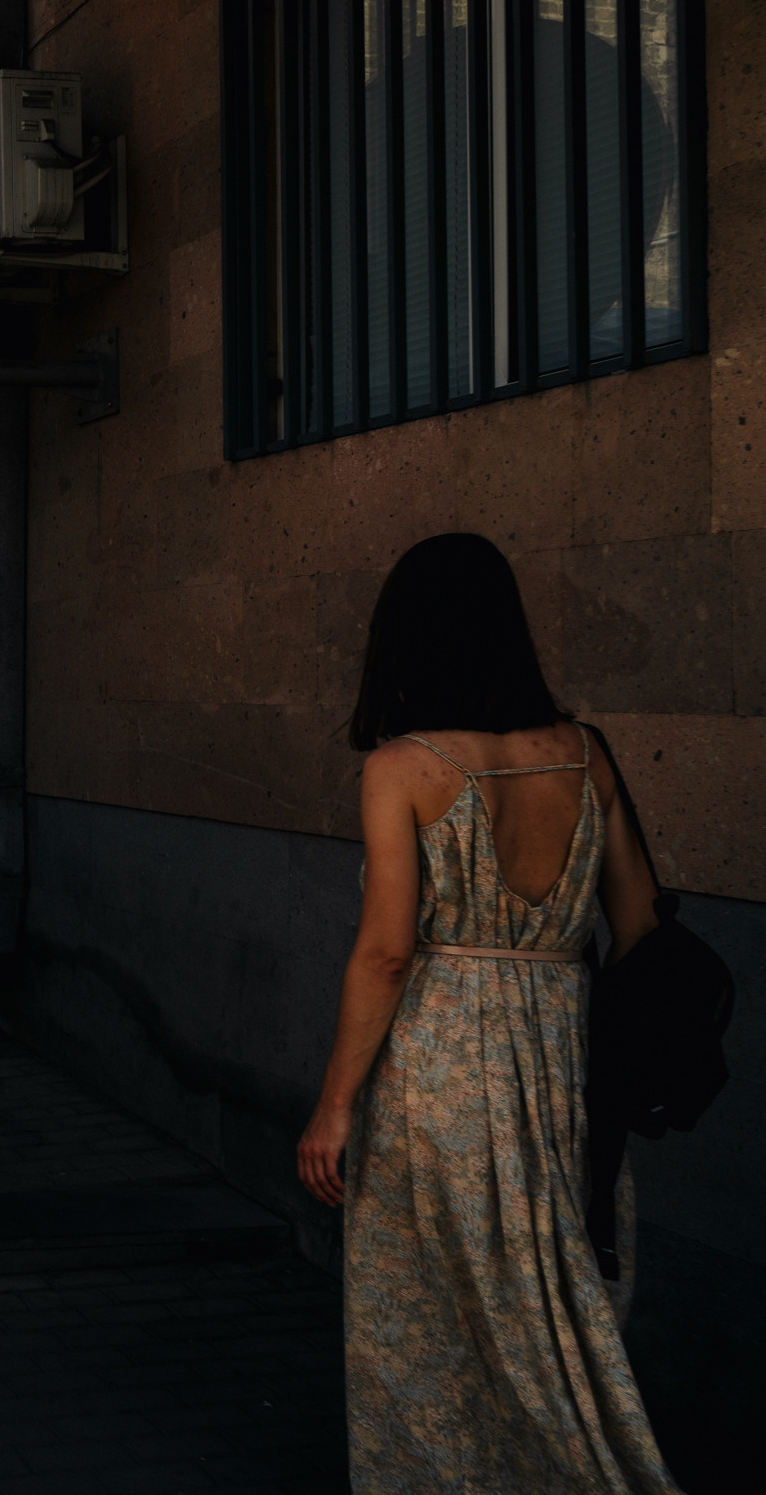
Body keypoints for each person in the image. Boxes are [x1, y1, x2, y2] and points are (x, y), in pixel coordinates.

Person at [296, 532, 680, 1493]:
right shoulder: (584, 754)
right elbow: (639, 923)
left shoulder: (403, 768)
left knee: (429, 1315)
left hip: (439, 1069)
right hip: (559, 1061)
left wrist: (334, 1102)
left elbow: (386, 952)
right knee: (546, 1302)